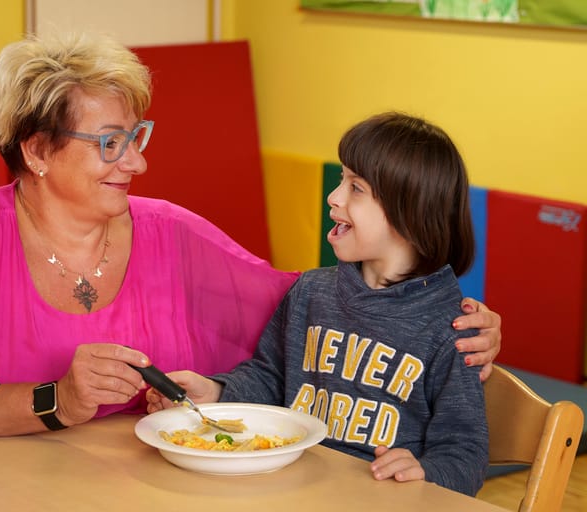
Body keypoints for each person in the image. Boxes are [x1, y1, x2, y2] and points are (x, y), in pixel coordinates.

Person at [0, 31, 500, 456]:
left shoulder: (174, 233)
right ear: (35, 150)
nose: (135, 163)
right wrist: (58, 400)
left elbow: (329, 304)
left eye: (138, 136)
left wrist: (465, 324)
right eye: (110, 142)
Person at [147, 112, 489, 496]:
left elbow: (465, 452)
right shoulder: (312, 292)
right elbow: (271, 377)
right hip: (291, 488)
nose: (335, 196)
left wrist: (426, 471)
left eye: (356, 188)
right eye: (342, 179)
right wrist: (215, 392)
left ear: (409, 215)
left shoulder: (454, 331)